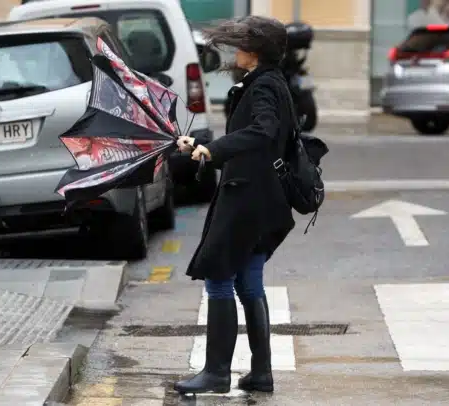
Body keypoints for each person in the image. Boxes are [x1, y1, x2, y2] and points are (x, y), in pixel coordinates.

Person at [173, 15, 296, 395]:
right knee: (248, 280)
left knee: (219, 277)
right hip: (265, 197)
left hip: (247, 198)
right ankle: (261, 373)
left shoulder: (263, 86)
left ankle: (216, 373)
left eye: (242, 44)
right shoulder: (272, 82)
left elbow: (263, 132)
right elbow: (254, 145)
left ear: (255, 51)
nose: (236, 51)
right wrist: (200, 148)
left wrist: (215, 149)